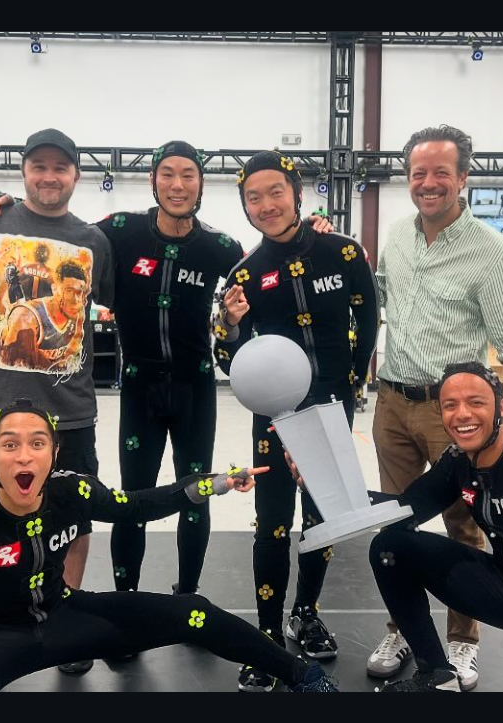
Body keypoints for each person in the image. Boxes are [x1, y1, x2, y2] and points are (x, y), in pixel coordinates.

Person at [0, 141, 333, 598]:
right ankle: (127, 600)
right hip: (139, 388)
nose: (177, 185)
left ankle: (187, 595)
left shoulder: (221, 247)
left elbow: (272, 267)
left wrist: (313, 232)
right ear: (152, 180)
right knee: (132, 497)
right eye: (167, 174)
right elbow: (58, 230)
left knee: (198, 494)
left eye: (188, 175)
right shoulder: (119, 230)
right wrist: (6, 207)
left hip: (195, 387)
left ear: (201, 184)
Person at [0, 399, 338, 693]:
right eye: (10, 445)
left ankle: (304, 676)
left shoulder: (72, 490)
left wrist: (212, 483)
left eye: (37, 443)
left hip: (65, 619)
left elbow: (137, 505)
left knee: (194, 612)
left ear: (53, 454)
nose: (24, 455)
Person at [295, 362, 503, 692]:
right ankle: (437, 676)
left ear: (500, 408)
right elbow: (403, 510)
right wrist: (321, 485)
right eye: (450, 405)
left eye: (476, 402)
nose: (462, 414)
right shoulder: (458, 461)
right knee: (390, 546)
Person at [0, 128, 114, 675]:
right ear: (24, 171)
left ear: (76, 175)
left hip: (70, 411)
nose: (49, 176)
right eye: (39, 166)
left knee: (74, 517)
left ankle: (63, 617)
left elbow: (104, 310)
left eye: (60, 167)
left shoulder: (94, 241)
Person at [367, 125, 503, 686]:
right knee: (394, 524)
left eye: (442, 172)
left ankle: (464, 640)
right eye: (419, 173)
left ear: (463, 178)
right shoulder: (397, 236)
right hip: (393, 403)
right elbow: (375, 298)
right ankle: (403, 628)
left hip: (454, 415)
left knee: (464, 527)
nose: (429, 183)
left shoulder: (490, 251)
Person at [212, 150, 379, 691]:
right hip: (274, 418)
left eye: (275, 192)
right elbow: (227, 359)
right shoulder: (243, 274)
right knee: (272, 522)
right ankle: (265, 635)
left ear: (297, 193)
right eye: (253, 197)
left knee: (320, 516)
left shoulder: (343, 252)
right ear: (245, 206)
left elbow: (368, 320)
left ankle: (305, 612)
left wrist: (351, 385)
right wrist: (230, 325)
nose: (266, 204)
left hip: (331, 408)